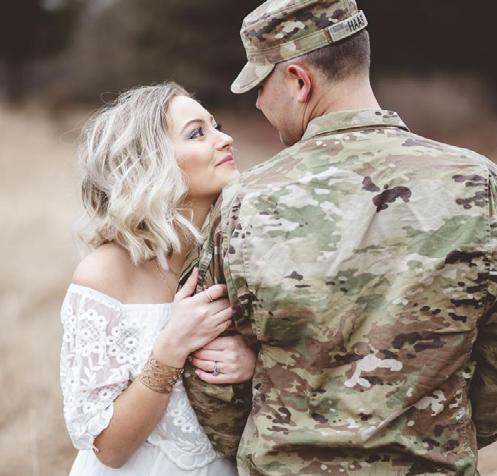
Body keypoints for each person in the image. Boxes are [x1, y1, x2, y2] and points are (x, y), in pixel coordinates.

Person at [183, 0, 497, 474]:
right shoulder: (479, 184)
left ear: (299, 81)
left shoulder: (246, 200)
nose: (259, 103)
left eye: (261, 86)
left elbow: (211, 370)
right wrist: (447, 433)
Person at [59, 82, 257, 476]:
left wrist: (255, 364)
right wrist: (171, 349)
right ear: (149, 162)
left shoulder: (244, 251)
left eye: (216, 126)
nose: (225, 139)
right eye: (197, 133)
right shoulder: (104, 274)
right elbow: (109, 449)